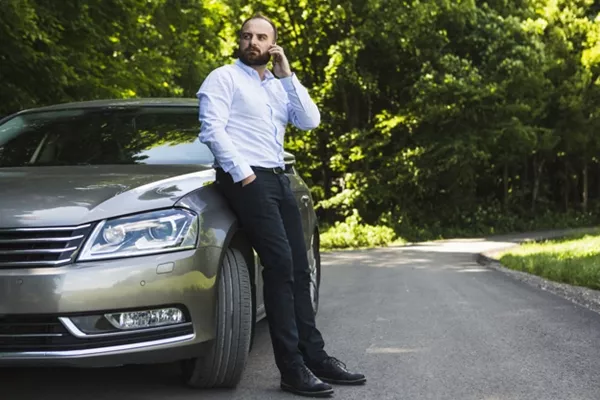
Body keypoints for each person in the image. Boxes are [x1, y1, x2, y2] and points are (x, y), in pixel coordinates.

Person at [196, 12, 366, 398]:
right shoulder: (223, 77)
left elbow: (309, 120)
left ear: (272, 44)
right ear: (239, 41)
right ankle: (291, 369)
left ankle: (315, 357)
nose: (252, 42)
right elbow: (212, 128)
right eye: (246, 36)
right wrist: (243, 173)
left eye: (260, 37)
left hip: (278, 177)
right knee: (280, 266)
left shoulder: (277, 85)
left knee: (300, 267)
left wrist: (287, 75)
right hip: (246, 178)